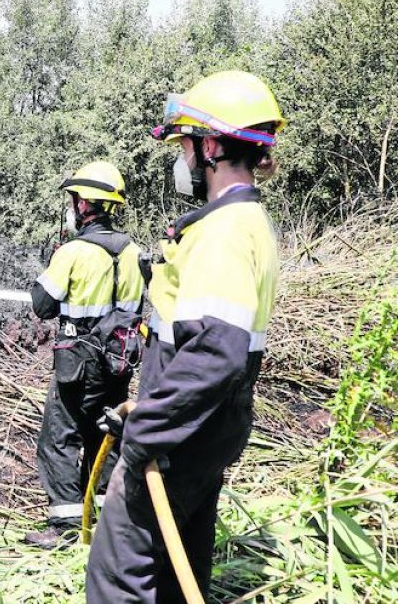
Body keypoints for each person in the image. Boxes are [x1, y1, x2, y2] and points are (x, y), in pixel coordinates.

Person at [85, 70, 284, 602]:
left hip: (177, 440)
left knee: (118, 573)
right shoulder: (245, 221)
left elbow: (216, 353)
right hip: (208, 434)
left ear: (212, 146)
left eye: (186, 145)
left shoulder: (222, 235)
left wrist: (145, 431)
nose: (182, 158)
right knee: (179, 568)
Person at [24, 161, 145, 549]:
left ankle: (65, 527)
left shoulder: (73, 251)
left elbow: (43, 304)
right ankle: (107, 524)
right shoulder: (131, 251)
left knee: (58, 438)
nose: (72, 206)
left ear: (86, 205)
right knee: (105, 433)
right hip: (116, 362)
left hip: (77, 364)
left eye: (75, 199)